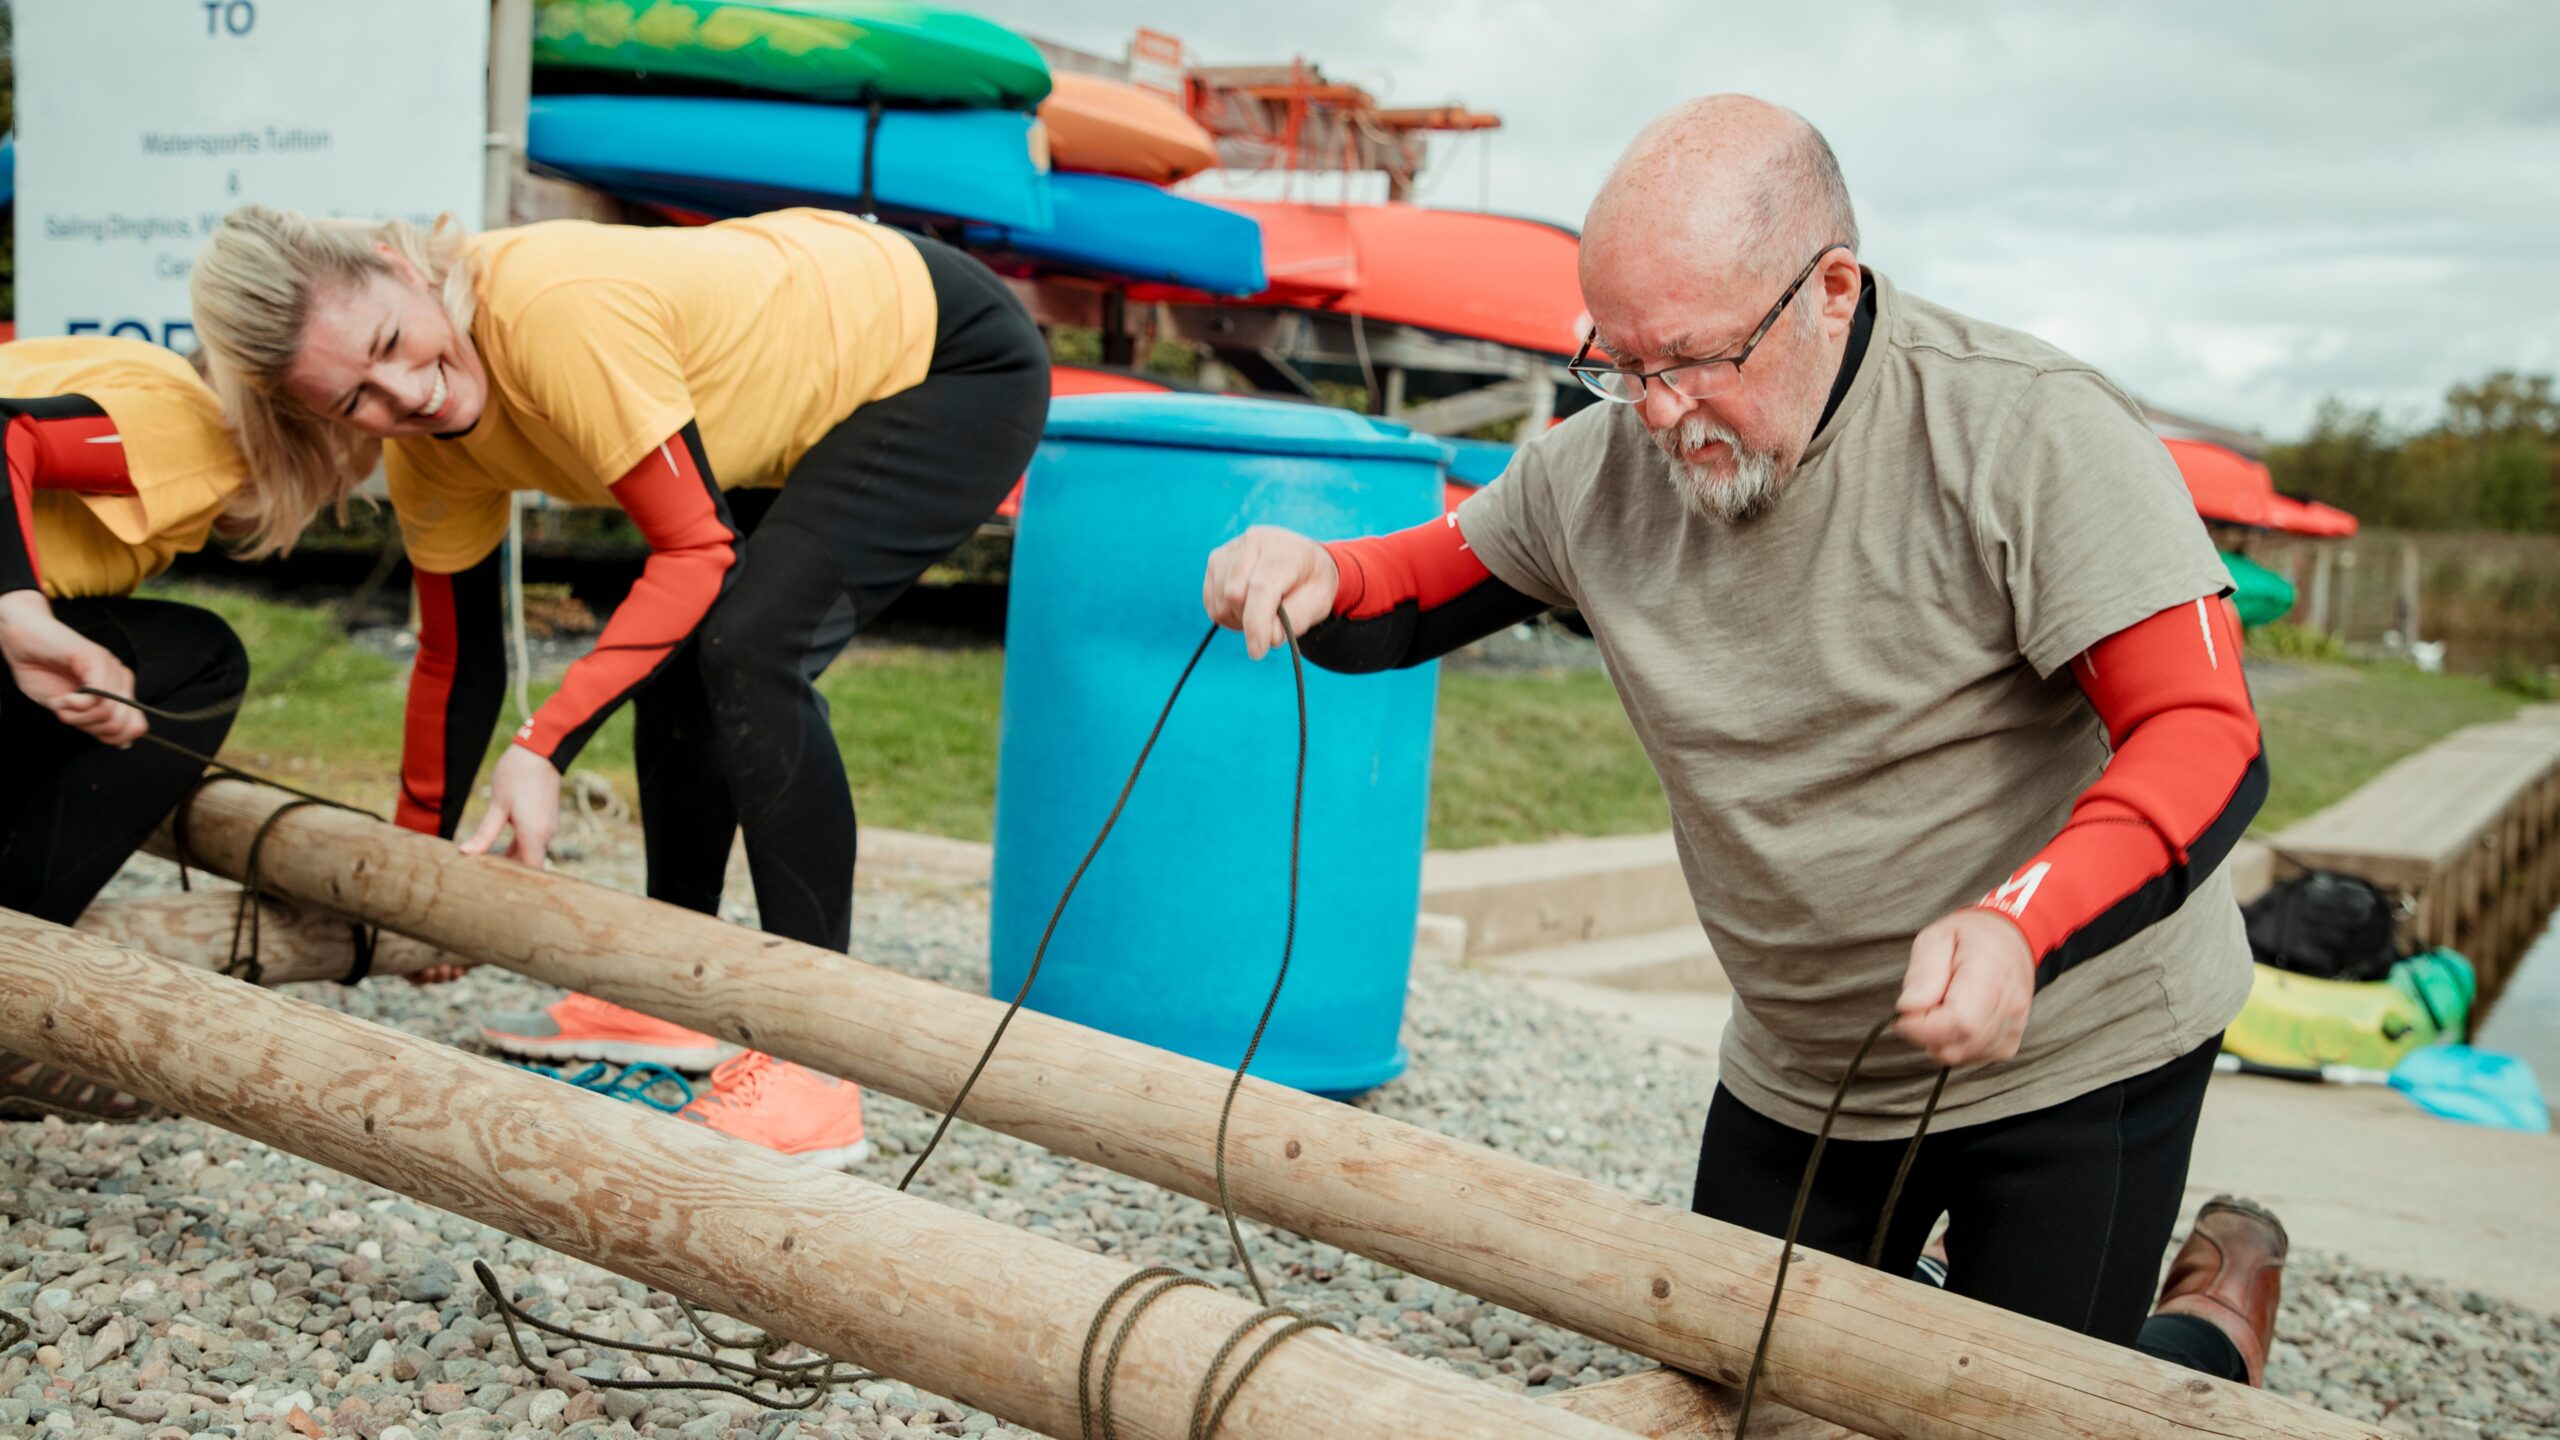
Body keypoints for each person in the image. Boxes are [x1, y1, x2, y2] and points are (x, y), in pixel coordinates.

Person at [1203, 96, 2288, 1386]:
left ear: (1832, 289)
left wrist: (2019, 923)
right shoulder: (1598, 465)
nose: (1655, 412)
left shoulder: (2030, 431)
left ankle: (2213, 1325)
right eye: (1619, 360)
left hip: (2073, 1036)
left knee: (2027, 1408)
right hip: (1803, 1058)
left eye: (1696, 358)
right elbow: (1410, 583)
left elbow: (2203, 732)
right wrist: (1309, 567)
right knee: (1740, 1389)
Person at [190, 204, 1049, 1165]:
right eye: (357, 401)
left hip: (947, 357)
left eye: (392, 341)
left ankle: (816, 1066)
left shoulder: (551, 311)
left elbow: (693, 550)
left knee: (749, 650)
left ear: (400, 266)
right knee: (681, 662)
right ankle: (669, 996)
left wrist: (542, 746)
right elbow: (456, 656)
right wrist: (412, 877)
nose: (405, 395)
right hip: (798, 408)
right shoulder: (430, 447)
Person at [0, 336, 253, 1120]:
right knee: (203, 661)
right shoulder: (199, 426)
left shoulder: (109, 362)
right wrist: (17, 607)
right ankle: (13, 1002)